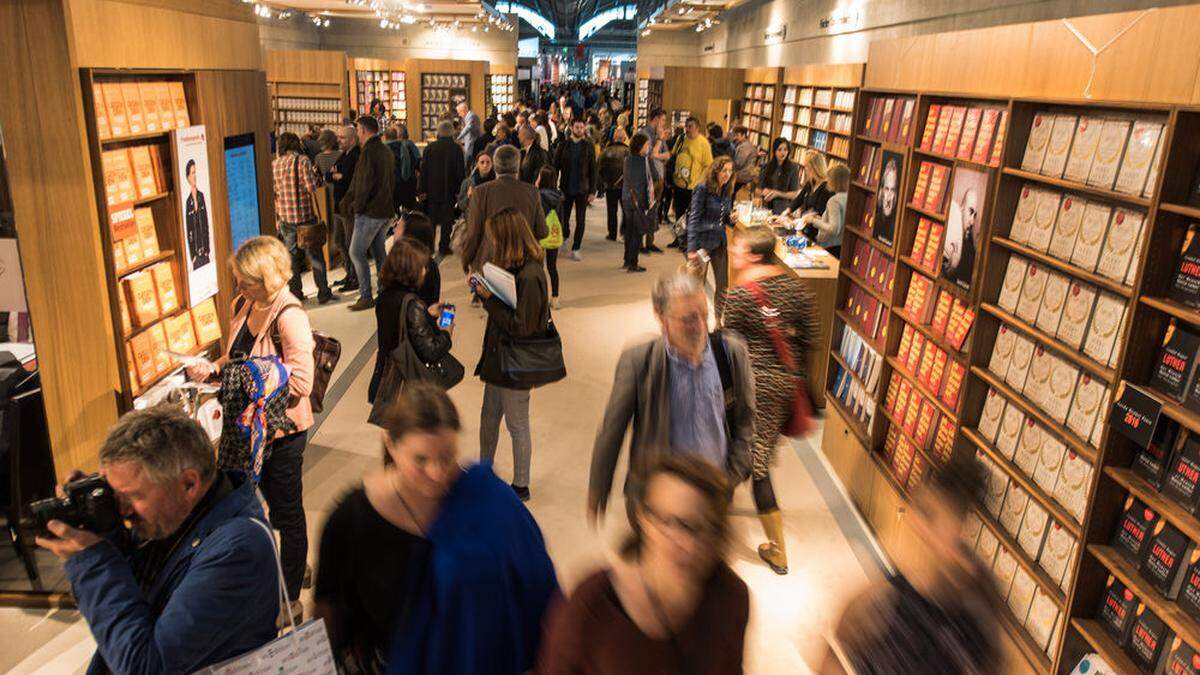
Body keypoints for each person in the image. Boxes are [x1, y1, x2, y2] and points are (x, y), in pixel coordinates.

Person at [315, 383, 559, 673]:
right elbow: (329, 612)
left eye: (446, 457)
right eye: (420, 460)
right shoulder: (352, 519)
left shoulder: (491, 502)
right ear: (391, 445)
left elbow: (536, 586)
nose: (436, 473)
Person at [35, 406, 279, 674]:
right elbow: (134, 600)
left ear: (188, 484)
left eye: (133, 496)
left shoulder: (239, 550)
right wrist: (104, 528)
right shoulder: (175, 517)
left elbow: (145, 668)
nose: (124, 511)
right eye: (115, 495)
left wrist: (94, 563)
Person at [186, 236, 316, 618]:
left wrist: (253, 382)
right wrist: (215, 369)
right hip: (245, 429)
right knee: (253, 506)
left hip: (282, 432)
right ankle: (292, 563)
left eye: (247, 281)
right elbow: (236, 357)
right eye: (238, 280)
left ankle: (289, 595)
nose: (239, 287)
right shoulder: (241, 304)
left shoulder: (289, 315)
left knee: (287, 512)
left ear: (269, 278)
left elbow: (302, 382)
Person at [540, 455, 748, 675]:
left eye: (701, 528)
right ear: (644, 520)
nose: (687, 544)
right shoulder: (591, 607)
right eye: (673, 524)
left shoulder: (731, 598)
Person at [589, 272, 753, 522]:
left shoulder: (732, 353)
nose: (700, 326)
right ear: (661, 317)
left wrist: (732, 475)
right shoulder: (639, 361)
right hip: (658, 501)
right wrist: (598, 487)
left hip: (714, 493)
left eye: (703, 315)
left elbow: (746, 421)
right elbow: (612, 430)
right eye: (688, 319)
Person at [821, 458, 1002, 674]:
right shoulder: (885, 600)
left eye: (927, 514)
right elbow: (836, 653)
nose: (915, 522)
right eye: (921, 511)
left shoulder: (976, 611)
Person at [723, 225, 818, 575]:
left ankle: (777, 551)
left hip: (749, 386)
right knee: (753, 454)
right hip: (783, 387)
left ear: (754, 255)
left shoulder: (739, 294)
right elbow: (811, 335)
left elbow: (727, 345)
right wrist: (799, 379)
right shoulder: (795, 287)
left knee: (751, 462)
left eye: (738, 247)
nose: (733, 251)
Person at [472, 209, 550, 502]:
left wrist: (489, 300)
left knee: (517, 423)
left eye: (495, 238)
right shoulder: (514, 268)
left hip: (515, 362)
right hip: (498, 357)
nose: (492, 243)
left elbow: (523, 326)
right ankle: (484, 472)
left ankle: (521, 485)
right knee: (489, 417)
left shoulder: (530, 275)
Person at [368, 238, 454, 405]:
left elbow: (399, 329)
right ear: (410, 269)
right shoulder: (412, 304)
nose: (425, 271)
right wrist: (446, 333)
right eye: (422, 266)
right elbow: (431, 351)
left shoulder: (384, 297)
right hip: (410, 388)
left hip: (387, 380)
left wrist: (426, 314)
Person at [459, 145, 549, 274]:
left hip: (490, 264)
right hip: (523, 263)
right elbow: (542, 231)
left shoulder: (480, 192)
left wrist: (466, 261)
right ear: (518, 166)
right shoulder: (532, 192)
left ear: (495, 166)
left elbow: (474, 233)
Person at [273, 132, 336, 304]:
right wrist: (317, 178)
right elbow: (311, 187)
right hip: (304, 218)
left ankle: (296, 293)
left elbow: (275, 192)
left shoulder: (275, 164)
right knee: (315, 255)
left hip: (285, 218)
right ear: (296, 145)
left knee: (292, 258)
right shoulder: (302, 161)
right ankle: (323, 292)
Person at [340, 115, 395, 311]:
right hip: (385, 210)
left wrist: (356, 207)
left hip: (370, 211)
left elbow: (363, 183)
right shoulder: (385, 150)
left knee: (355, 251)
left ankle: (365, 295)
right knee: (379, 251)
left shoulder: (369, 152)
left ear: (362, 130)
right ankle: (384, 288)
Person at [687, 156, 738, 321]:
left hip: (719, 242)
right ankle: (694, 321)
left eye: (730, 171)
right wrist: (691, 249)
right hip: (703, 242)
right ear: (716, 171)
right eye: (724, 170)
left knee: (723, 285)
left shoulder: (727, 190)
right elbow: (694, 218)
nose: (727, 174)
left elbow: (725, 218)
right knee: (696, 285)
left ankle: (718, 321)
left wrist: (732, 218)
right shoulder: (702, 189)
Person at [418, 120, 467, 258]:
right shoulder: (456, 149)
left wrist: (422, 190)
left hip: (432, 190)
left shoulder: (430, 148)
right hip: (449, 190)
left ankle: (429, 246)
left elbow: (424, 171)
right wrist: (460, 191)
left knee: (431, 220)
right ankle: (444, 246)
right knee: (447, 220)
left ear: (438, 132)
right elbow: (460, 172)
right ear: (452, 132)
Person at [552, 118, 598, 260]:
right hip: (566, 187)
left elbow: (593, 170)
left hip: (582, 189)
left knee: (581, 219)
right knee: (563, 218)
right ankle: (565, 236)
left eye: (581, 127)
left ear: (584, 129)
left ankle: (576, 247)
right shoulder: (563, 145)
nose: (579, 130)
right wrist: (553, 186)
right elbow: (555, 167)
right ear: (571, 128)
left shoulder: (588, 146)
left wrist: (592, 190)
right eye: (577, 127)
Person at [329, 125, 361, 291]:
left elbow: (348, 179)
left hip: (348, 208)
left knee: (350, 244)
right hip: (338, 207)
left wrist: (338, 175)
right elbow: (328, 174)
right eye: (338, 137)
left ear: (352, 139)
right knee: (339, 241)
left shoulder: (356, 156)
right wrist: (336, 175)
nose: (338, 140)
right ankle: (349, 272)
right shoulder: (343, 155)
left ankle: (354, 278)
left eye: (342, 137)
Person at [621, 132, 657, 273]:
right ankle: (633, 263)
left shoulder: (627, 159)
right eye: (647, 145)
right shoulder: (645, 161)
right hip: (639, 200)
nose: (648, 147)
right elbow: (655, 176)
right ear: (641, 146)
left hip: (626, 198)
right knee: (636, 232)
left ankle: (626, 259)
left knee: (629, 230)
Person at [798, 162, 850, 258]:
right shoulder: (849, 198)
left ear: (834, 181)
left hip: (830, 246)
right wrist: (820, 219)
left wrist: (813, 220)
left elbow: (834, 229)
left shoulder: (834, 201)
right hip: (842, 247)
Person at [670, 117, 713, 228]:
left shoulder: (704, 143)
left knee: (690, 215)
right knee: (679, 212)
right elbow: (673, 154)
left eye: (690, 126)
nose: (687, 129)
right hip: (678, 183)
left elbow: (708, 165)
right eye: (686, 126)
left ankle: (688, 240)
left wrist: (700, 182)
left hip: (693, 186)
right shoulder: (681, 138)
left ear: (697, 128)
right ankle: (678, 237)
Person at [393, 211, 441, 307]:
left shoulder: (415, 267)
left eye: (398, 226)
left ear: (409, 234)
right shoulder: (427, 263)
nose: (394, 229)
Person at [537, 166, 564, 307]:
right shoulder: (559, 196)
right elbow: (562, 218)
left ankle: (541, 298)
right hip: (554, 235)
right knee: (552, 267)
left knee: (539, 268)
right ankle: (555, 297)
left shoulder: (538, 195)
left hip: (540, 236)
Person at [598, 127, 631, 242]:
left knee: (611, 211)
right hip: (625, 186)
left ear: (614, 137)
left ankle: (612, 234)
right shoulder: (629, 151)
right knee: (626, 210)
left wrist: (602, 182)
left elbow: (599, 167)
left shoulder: (607, 151)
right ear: (624, 138)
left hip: (610, 185)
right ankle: (625, 233)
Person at [758, 137, 801, 215]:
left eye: (785, 150)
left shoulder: (793, 168)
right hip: (766, 208)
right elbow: (758, 189)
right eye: (779, 149)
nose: (783, 153)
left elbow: (794, 194)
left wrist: (777, 193)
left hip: (783, 210)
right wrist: (763, 192)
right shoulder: (767, 166)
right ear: (774, 151)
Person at [385, 123, 422, 212]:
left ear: (400, 134)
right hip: (408, 182)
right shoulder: (410, 145)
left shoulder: (405, 146)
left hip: (401, 183)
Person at [786, 149, 831, 217]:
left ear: (814, 167)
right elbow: (799, 199)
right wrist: (788, 210)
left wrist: (802, 219)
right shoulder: (810, 183)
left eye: (807, 166)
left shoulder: (826, 188)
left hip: (814, 225)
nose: (805, 169)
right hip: (804, 222)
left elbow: (818, 211)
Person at [184, 159, 211, 268]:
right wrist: (193, 256)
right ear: (188, 177)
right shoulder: (188, 202)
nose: (194, 176)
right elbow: (189, 230)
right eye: (192, 173)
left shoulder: (201, 196)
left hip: (205, 253)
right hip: (196, 256)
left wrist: (207, 250)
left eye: (195, 172)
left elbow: (206, 224)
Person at [730, 126, 758, 197]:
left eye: (737, 135)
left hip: (742, 176)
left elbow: (739, 163)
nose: (735, 137)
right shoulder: (750, 145)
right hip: (748, 175)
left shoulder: (744, 147)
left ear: (744, 135)